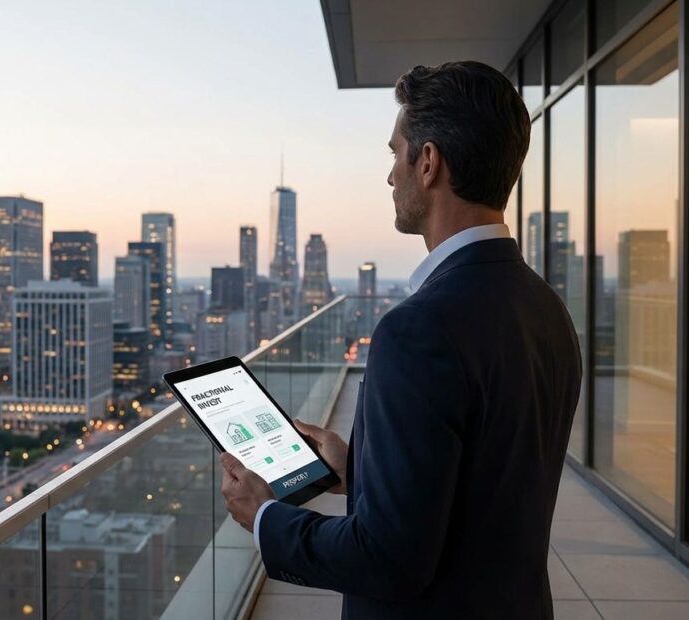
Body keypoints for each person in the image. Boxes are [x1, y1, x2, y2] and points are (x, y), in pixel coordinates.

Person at [219, 60, 582, 619]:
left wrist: (267, 518)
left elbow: (388, 558)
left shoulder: (418, 329)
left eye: (396, 153)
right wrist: (360, 470)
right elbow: (487, 480)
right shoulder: (546, 308)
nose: (391, 175)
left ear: (429, 162)